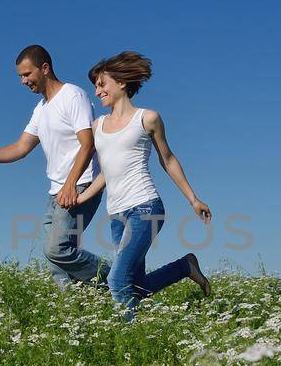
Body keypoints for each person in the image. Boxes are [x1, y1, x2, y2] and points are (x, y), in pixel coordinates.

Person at [72, 51, 212, 317]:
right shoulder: (98, 126)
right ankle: (186, 267)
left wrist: (193, 199)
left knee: (116, 281)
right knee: (136, 286)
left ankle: (134, 341)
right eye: (95, 86)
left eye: (102, 84)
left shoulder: (147, 118)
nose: (97, 91)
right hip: (116, 214)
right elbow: (107, 173)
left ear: (121, 83)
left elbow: (168, 160)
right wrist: (81, 197)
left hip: (146, 208)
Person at [0, 45, 110, 287]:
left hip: (81, 185)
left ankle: (122, 281)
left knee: (57, 249)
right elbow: (21, 147)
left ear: (45, 68)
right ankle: (74, 314)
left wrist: (71, 184)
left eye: (27, 74)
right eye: (20, 76)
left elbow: (88, 144)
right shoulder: (41, 110)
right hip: (56, 191)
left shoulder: (72, 95)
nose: (23, 81)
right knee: (56, 264)